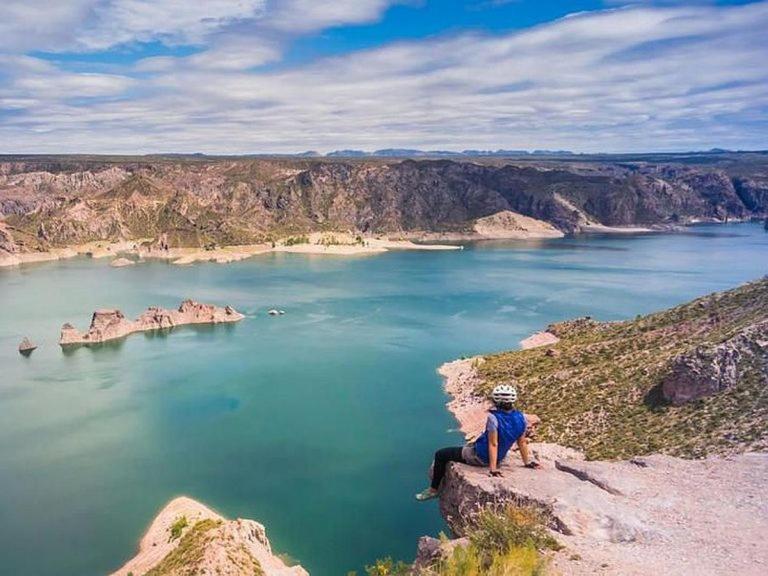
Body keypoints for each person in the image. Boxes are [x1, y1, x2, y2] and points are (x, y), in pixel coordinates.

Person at [415, 384, 540, 501]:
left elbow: (493, 444)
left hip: (480, 456)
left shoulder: (494, 417)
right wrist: (527, 462)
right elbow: (522, 442)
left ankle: (433, 490)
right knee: (467, 446)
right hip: (499, 456)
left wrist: (493, 469)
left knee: (441, 454)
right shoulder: (521, 417)